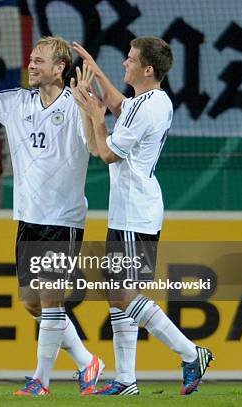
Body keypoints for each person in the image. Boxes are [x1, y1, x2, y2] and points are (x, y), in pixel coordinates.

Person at [0, 20, 103, 396]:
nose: (31, 65)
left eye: (39, 60)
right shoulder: (16, 101)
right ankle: (87, 362)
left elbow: (96, 146)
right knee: (32, 304)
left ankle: (40, 380)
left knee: (51, 302)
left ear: (59, 68)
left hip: (63, 218)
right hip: (27, 219)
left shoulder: (76, 104)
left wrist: (90, 107)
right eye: (31, 59)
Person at [71, 38, 214, 396]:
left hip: (135, 211)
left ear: (147, 69)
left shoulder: (147, 108)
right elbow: (121, 105)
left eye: (130, 59)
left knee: (124, 294)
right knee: (118, 295)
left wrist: (94, 117)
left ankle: (190, 352)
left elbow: (107, 154)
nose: (124, 63)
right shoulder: (154, 101)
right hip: (131, 210)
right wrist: (95, 67)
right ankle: (125, 380)